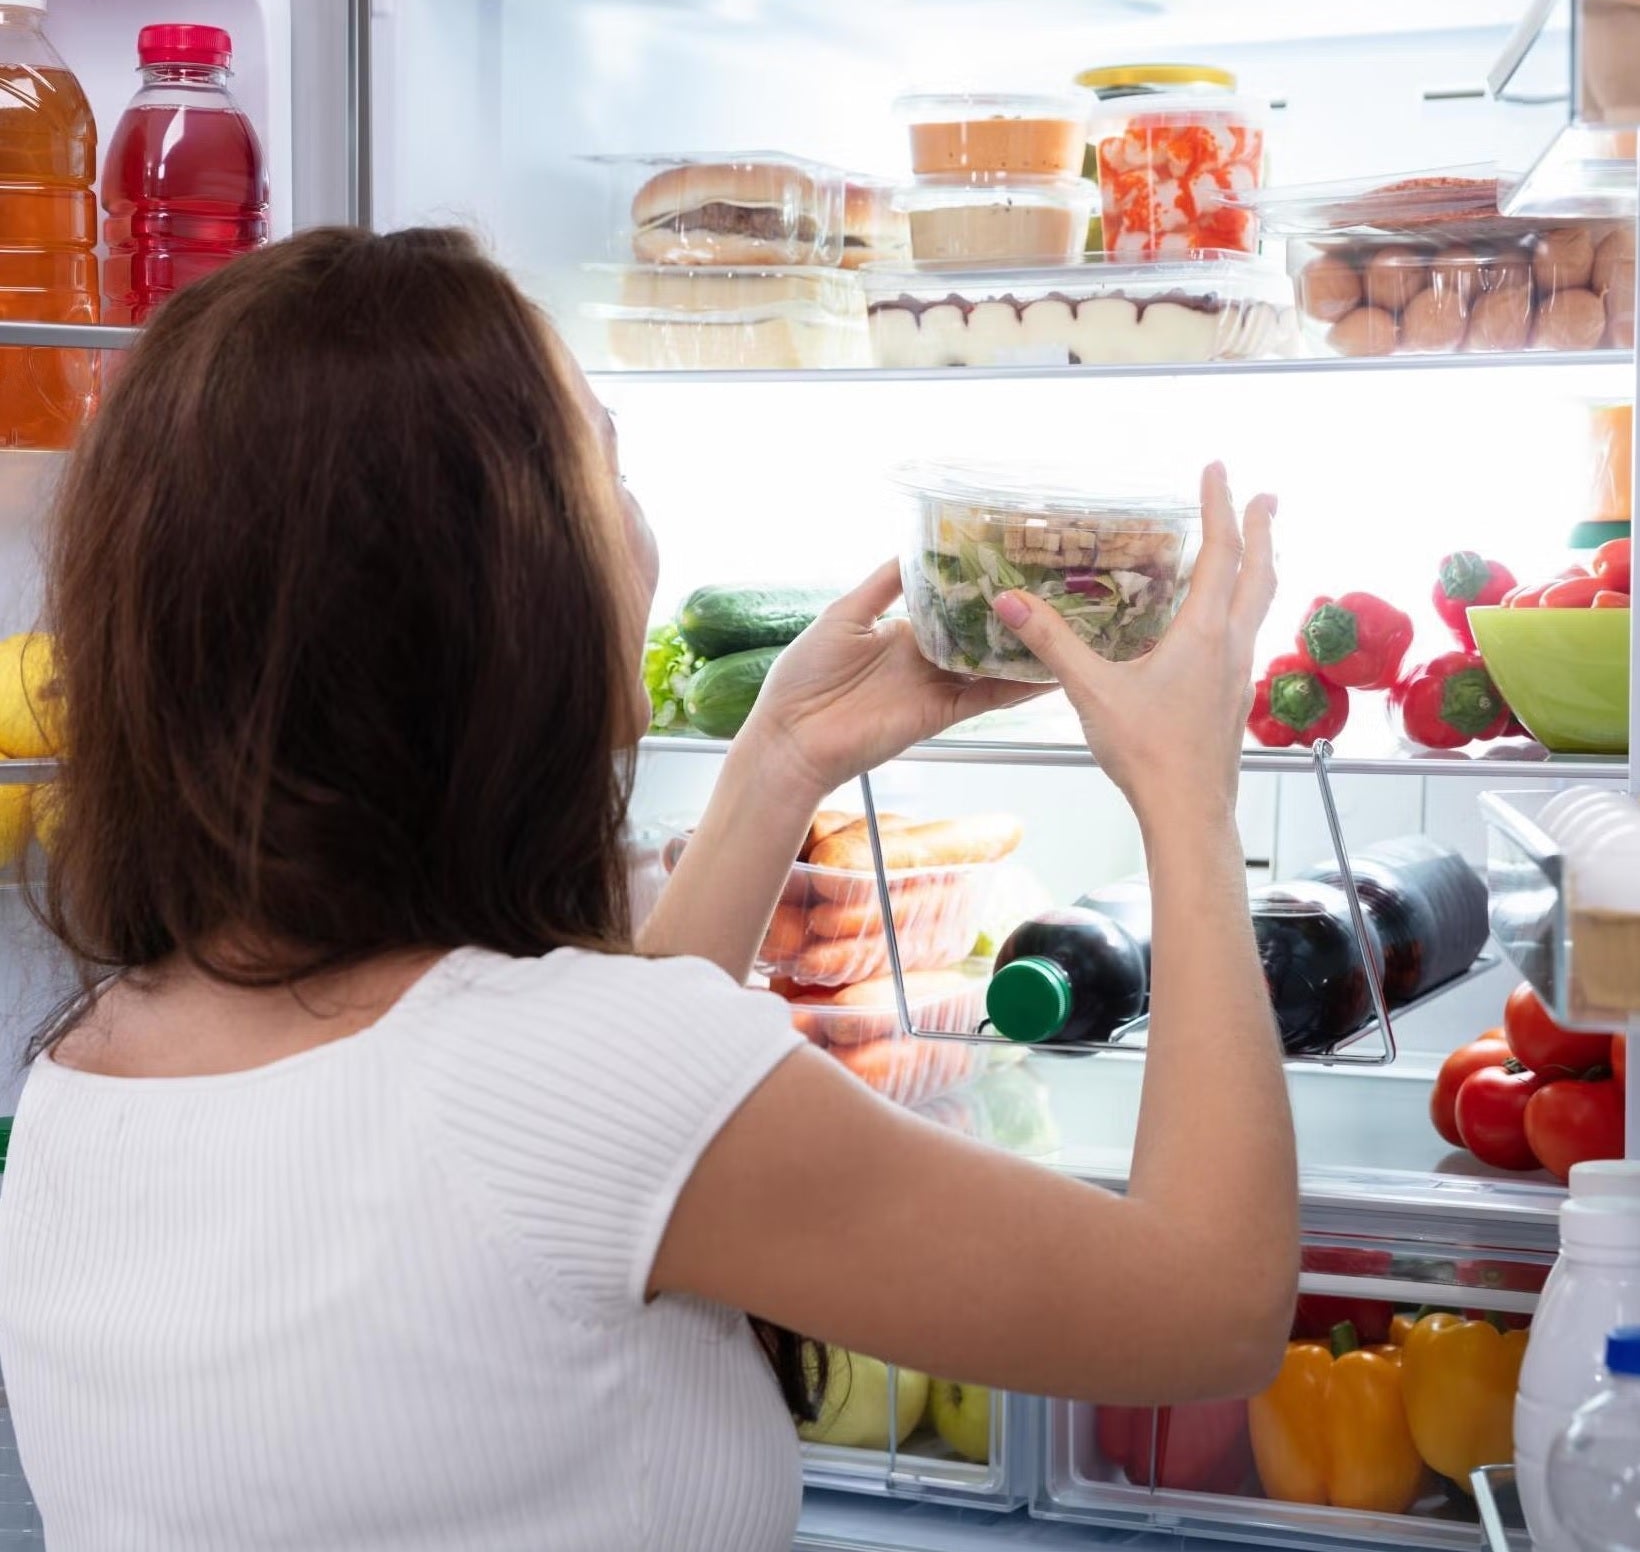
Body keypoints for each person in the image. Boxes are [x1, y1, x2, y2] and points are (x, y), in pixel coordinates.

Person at [0, 227, 1296, 1552]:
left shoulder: (81, 1072)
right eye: (604, 466)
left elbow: (567, 1171)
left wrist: (781, 763)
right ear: (500, 596)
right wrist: (1188, 803)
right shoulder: (574, 1077)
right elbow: (1212, 1308)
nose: (636, 525)